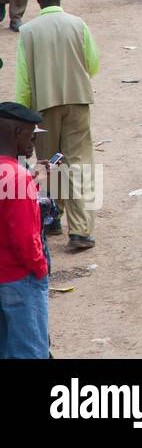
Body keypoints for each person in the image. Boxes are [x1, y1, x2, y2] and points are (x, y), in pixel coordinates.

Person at [16, 0, 99, 251]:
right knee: (77, 163)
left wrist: (23, 114)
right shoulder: (78, 24)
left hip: (42, 106)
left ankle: (52, 217)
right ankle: (81, 231)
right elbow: (92, 64)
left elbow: (24, 80)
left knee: (49, 165)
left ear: (37, 1)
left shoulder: (28, 32)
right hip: (77, 100)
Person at [0, 101, 49, 357]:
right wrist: (40, 268)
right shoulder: (17, 177)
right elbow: (25, 237)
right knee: (28, 351)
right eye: (31, 135)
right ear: (17, 133)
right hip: (19, 279)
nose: (32, 143)